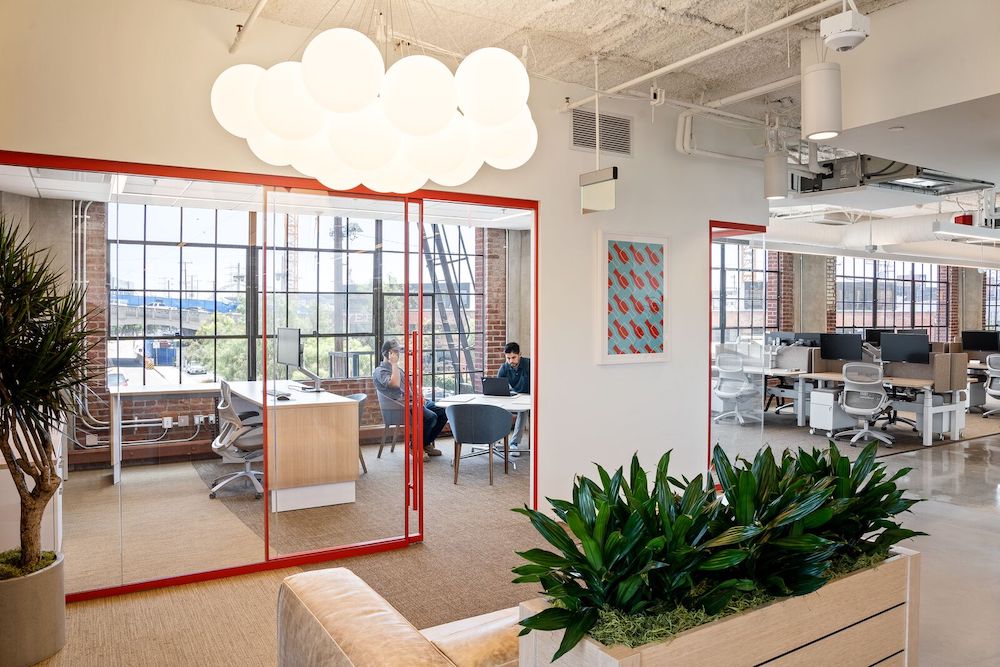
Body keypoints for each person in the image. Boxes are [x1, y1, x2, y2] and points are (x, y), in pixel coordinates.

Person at [373, 339, 447, 457]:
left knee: (443, 411)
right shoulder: (380, 371)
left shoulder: (398, 370)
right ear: (387, 353)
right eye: (394, 351)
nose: (398, 354)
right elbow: (395, 384)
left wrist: (419, 397)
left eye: (398, 351)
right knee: (430, 417)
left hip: (413, 403)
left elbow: (410, 386)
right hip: (400, 408)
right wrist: (394, 364)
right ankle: (415, 446)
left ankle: (425, 444)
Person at [497, 342, 530, 455]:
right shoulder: (504, 367)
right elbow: (498, 386)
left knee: (523, 411)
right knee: (498, 408)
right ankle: (495, 439)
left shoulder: (529, 365)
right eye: (508, 358)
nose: (511, 361)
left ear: (520, 354)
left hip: (528, 396)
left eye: (514, 357)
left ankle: (514, 443)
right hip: (513, 394)